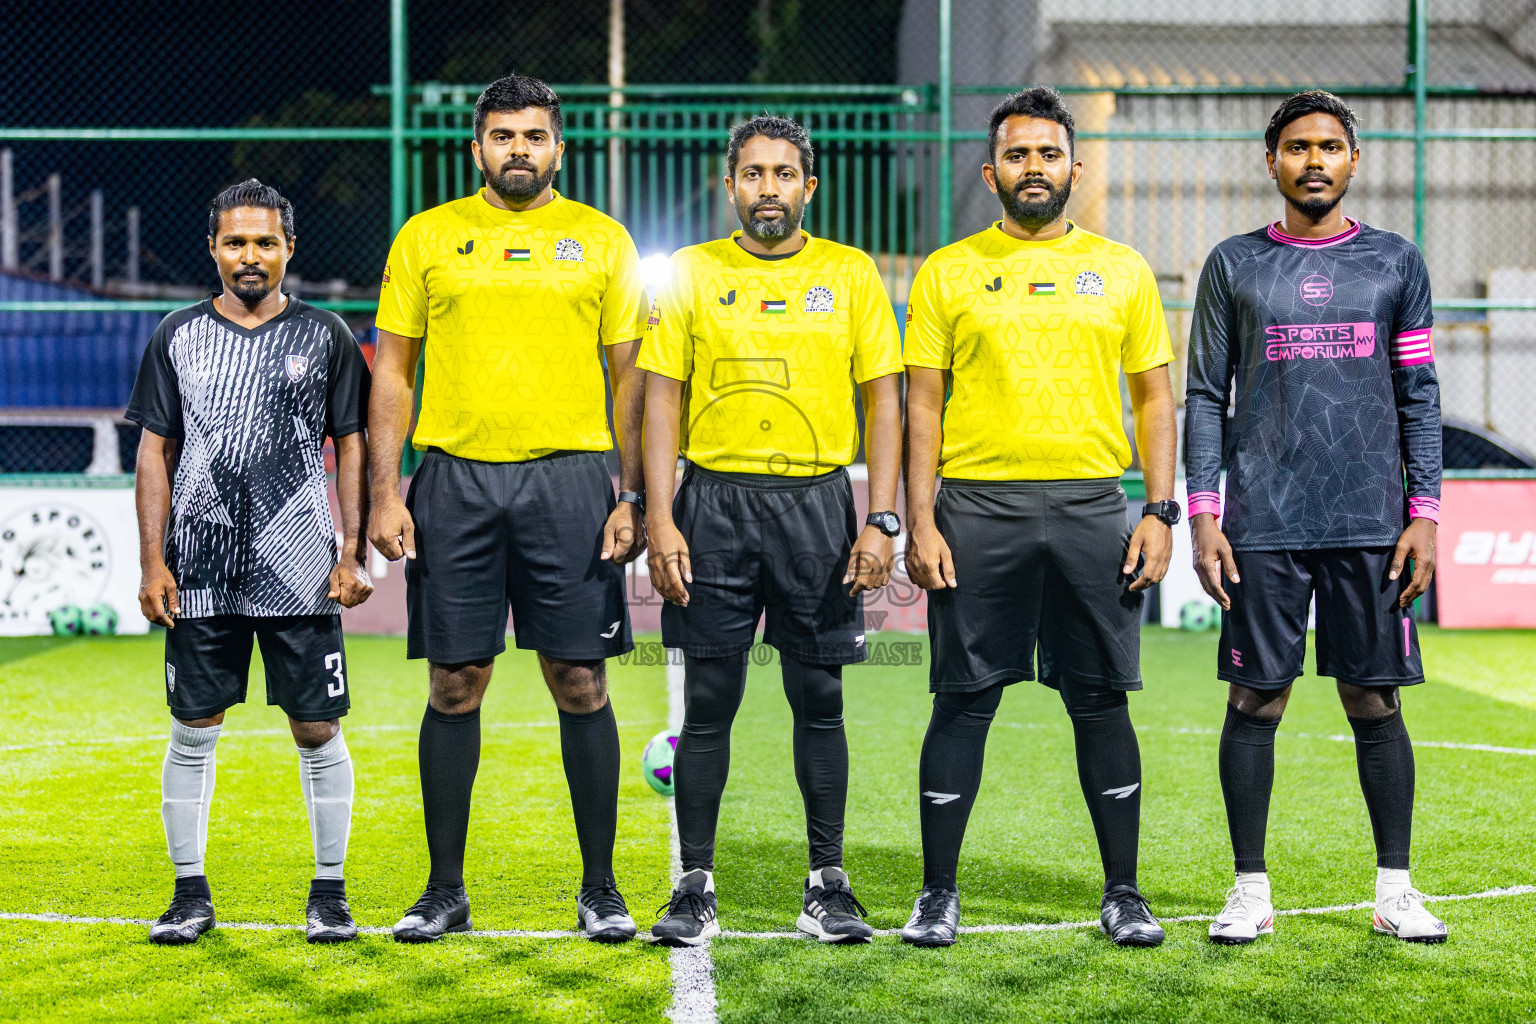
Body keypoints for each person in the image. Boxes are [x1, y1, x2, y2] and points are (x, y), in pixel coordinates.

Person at [369, 74, 650, 943]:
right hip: (454, 482)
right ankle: (443, 890)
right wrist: (386, 488)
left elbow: (632, 378)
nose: (518, 149)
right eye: (502, 136)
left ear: (558, 147)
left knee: (580, 680)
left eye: (533, 135)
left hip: (570, 482)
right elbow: (392, 371)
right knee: (455, 683)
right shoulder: (428, 238)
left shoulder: (602, 242)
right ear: (477, 147)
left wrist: (630, 493)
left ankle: (599, 888)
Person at [899, 87, 1179, 949]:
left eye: (1048, 154)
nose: (1034, 168)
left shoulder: (1123, 269)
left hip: (1096, 507)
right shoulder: (948, 271)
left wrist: (1161, 508)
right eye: (1018, 155)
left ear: (1075, 168)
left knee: (1100, 702)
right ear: (992, 172)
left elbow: (1155, 399)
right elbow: (922, 408)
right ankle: (938, 893)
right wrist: (921, 519)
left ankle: (1124, 893)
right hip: (977, 510)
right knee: (964, 699)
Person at [1186, 91, 1447, 945]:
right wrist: (1203, 510)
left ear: (1353, 161)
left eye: (1330, 146)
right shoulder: (1233, 265)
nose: (1314, 161)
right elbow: (1202, 395)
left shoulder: (1395, 263)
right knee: (1255, 700)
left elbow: (1419, 392)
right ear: (1272, 161)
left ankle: (1397, 891)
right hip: (1262, 521)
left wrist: (1426, 512)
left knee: (1374, 701)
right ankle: (1250, 889)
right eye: (1297, 147)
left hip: (1371, 522)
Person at [640, 115, 904, 946]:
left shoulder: (851, 274)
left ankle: (827, 882)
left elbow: (884, 399)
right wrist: (658, 516)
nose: (768, 189)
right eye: (752, 174)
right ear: (730, 187)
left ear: (808, 188)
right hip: (710, 502)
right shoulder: (690, 272)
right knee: (710, 700)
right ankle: (694, 882)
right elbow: (660, 399)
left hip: (819, 506)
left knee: (817, 697)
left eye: (784, 174)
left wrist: (883, 517)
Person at [128, 179, 373, 945]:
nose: (250, 255)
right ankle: (189, 893)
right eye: (235, 241)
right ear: (213, 248)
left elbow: (353, 446)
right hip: (199, 568)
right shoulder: (175, 335)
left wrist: (351, 550)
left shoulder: (327, 335)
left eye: (265, 241)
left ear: (289, 248)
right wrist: (151, 564)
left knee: (317, 730)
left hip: (298, 565)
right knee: (194, 729)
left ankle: (328, 893)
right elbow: (154, 453)